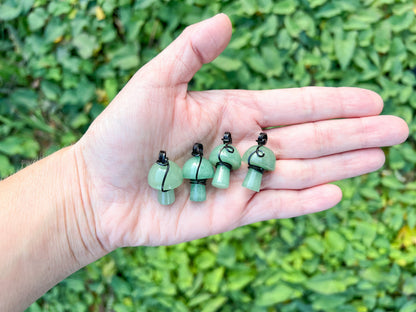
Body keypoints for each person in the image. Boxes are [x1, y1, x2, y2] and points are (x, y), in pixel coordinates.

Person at [0, 14, 409, 311]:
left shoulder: (239, 158)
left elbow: (235, 161)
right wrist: (85, 193)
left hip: (216, 173)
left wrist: (83, 200)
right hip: (192, 178)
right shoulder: (194, 165)